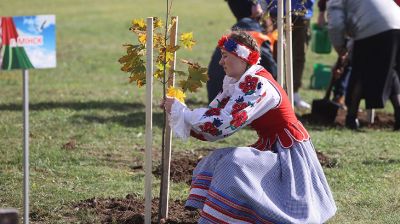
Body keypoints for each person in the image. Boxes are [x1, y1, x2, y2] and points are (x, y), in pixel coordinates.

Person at [162, 31, 336, 223]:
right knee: (217, 158)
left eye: (225, 56)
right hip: (272, 146)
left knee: (233, 164)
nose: (221, 62)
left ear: (242, 58)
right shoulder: (238, 83)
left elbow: (223, 123)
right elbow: (215, 117)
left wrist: (183, 112)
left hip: (289, 152)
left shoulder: (257, 84)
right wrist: (180, 112)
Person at [327, 0, 400, 130]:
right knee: (390, 72)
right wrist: (345, 52)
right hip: (397, 22)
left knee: (360, 72)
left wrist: (340, 49)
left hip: (373, 28)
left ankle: (351, 118)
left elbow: (336, 25)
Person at [206, 0, 277, 103]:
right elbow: (273, 73)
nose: (260, 4)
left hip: (215, 100)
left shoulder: (229, 37)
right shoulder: (255, 38)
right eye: (256, 2)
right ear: (253, 9)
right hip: (232, 105)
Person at [264, 0, 315, 110]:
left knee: (299, 55)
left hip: (301, 12)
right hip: (275, 11)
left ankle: (294, 92)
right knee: (274, 55)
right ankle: (273, 94)